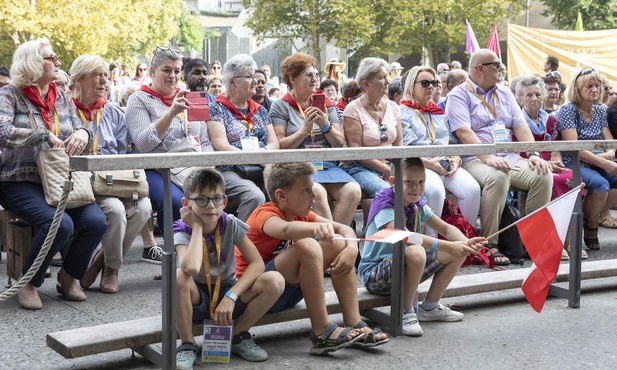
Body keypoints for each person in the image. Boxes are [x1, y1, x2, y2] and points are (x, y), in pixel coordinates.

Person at [237, 162, 389, 355]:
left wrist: (351, 248)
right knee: (307, 245)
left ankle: (353, 322)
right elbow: (285, 229)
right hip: (261, 293)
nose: (314, 195)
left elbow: (343, 229)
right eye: (306, 190)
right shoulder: (264, 214)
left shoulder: (302, 214)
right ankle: (321, 331)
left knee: (339, 243)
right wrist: (315, 229)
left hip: (289, 290)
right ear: (281, 196)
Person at [0, 38, 107, 309]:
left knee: (96, 222)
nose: (58, 62)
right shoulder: (10, 94)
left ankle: (69, 276)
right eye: (52, 57)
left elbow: (84, 128)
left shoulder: (59, 95)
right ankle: (29, 282)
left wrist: (82, 132)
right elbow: (3, 132)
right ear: (34, 62)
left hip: (60, 177)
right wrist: (41, 134)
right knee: (60, 224)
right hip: (18, 180)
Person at [446, 49, 553, 266]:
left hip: (507, 156)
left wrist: (533, 153)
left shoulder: (504, 93)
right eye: (496, 64)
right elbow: (463, 132)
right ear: (479, 69)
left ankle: (528, 240)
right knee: (499, 176)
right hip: (474, 158)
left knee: (543, 174)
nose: (501, 68)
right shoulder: (459, 94)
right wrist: (487, 157)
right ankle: (488, 244)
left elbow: (520, 126)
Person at [360, 158, 485, 336]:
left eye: (421, 182)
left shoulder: (416, 204)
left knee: (458, 251)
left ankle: (430, 307)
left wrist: (466, 243)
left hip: (403, 268)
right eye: (409, 182)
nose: (416, 188)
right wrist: (449, 246)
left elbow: (446, 228)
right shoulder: (385, 204)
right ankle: (406, 312)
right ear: (393, 182)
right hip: (375, 275)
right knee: (416, 250)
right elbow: (404, 236)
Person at [174, 168, 284, 367]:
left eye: (216, 199)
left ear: (225, 202)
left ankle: (238, 335)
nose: (210, 206)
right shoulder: (182, 230)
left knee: (275, 280)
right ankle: (187, 344)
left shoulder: (230, 223)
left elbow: (257, 263)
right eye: (201, 200)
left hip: (227, 292)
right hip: (196, 299)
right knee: (179, 276)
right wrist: (197, 227)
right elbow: (189, 269)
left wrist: (231, 296)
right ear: (186, 204)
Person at [69, 54, 152, 293]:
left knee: (144, 208)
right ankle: (112, 269)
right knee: (116, 211)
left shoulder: (113, 112)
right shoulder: (65, 110)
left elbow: (122, 154)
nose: (105, 80)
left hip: (112, 180)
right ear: (79, 79)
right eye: (98, 75)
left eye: (106, 75)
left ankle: (102, 263)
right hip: (81, 182)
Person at [125, 46, 213, 242]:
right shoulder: (138, 99)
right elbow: (143, 144)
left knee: (215, 193)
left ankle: (208, 255)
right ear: (152, 72)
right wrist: (171, 113)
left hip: (190, 165)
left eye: (176, 70)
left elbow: (205, 140)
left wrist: (209, 165)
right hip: (155, 167)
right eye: (166, 70)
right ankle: (176, 257)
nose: (172, 75)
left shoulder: (189, 97)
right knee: (176, 201)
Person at [270, 52, 361, 226]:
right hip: (297, 166)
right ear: (293, 78)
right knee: (316, 192)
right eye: (309, 75)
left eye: (316, 74)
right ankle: (333, 243)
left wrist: (325, 125)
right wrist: (305, 129)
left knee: (353, 191)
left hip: (326, 165)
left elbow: (339, 142)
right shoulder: (280, 106)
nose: (315, 79)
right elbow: (280, 145)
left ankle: (336, 243)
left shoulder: (326, 104)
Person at [400, 66, 481, 237]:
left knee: (472, 189)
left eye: (435, 83)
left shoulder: (439, 112)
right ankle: (433, 249)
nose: (431, 87)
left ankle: (464, 242)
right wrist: (430, 164)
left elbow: (452, 141)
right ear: (411, 85)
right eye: (425, 83)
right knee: (435, 191)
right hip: (419, 164)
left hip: (445, 163)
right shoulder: (402, 112)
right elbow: (405, 149)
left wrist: (456, 158)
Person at [514, 75, 586, 260]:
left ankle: (568, 241)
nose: (534, 98)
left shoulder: (550, 120)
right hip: (529, 163)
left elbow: (555, 150)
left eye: (538, 94)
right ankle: (549, 242)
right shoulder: (517, 121)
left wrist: (557, 160)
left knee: (573, 179)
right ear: (520, 98)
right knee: (549, 180)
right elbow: (518, 152)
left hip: (551, 163)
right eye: (529, 95)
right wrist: (545, 162)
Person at [207, 54, 279, 221]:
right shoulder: (216, 108)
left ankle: (276, 240)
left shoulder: (260, 110)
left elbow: (274, 142)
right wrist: (254, 157)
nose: (255, 81)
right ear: (232, 81)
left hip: (262, 165)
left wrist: (262, 154)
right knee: (254, 196)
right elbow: (220, 144)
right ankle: (242, 244)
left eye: (255, 76)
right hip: (230, 168)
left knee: (286, 189)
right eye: (249, 77)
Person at [556, 68, 617, 251]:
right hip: (574, 161)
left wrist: (610, 154)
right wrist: (604, 162)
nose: (595, 90)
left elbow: (610, 141)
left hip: (599, 160)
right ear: (577, 88)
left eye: (597, 86)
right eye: (589, 86)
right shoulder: (568, 110)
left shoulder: (599, 110)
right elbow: (574, 147)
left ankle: (592, 213)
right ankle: (591, 225)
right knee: (600, 185)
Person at [341, 57, 403, 198]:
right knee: (390, 194)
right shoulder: (353, 110)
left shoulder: (393, 107)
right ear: (366, 84)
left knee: (418, 192)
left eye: (387, 76)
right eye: (382, 77)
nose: (388, 81)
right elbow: (356, 152)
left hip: (390, 166)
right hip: (360, 167)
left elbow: (399, 145)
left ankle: (412, 221)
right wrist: (387, 171)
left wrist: (395, 169)